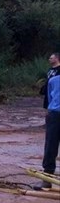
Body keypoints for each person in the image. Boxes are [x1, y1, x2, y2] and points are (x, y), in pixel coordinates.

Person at [38, 55, 60, 190]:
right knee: (50, 145)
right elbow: (49, 97)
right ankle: (47, 178)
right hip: (54, 114)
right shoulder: (53, 80)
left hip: (54, 114)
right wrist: (48, 111)